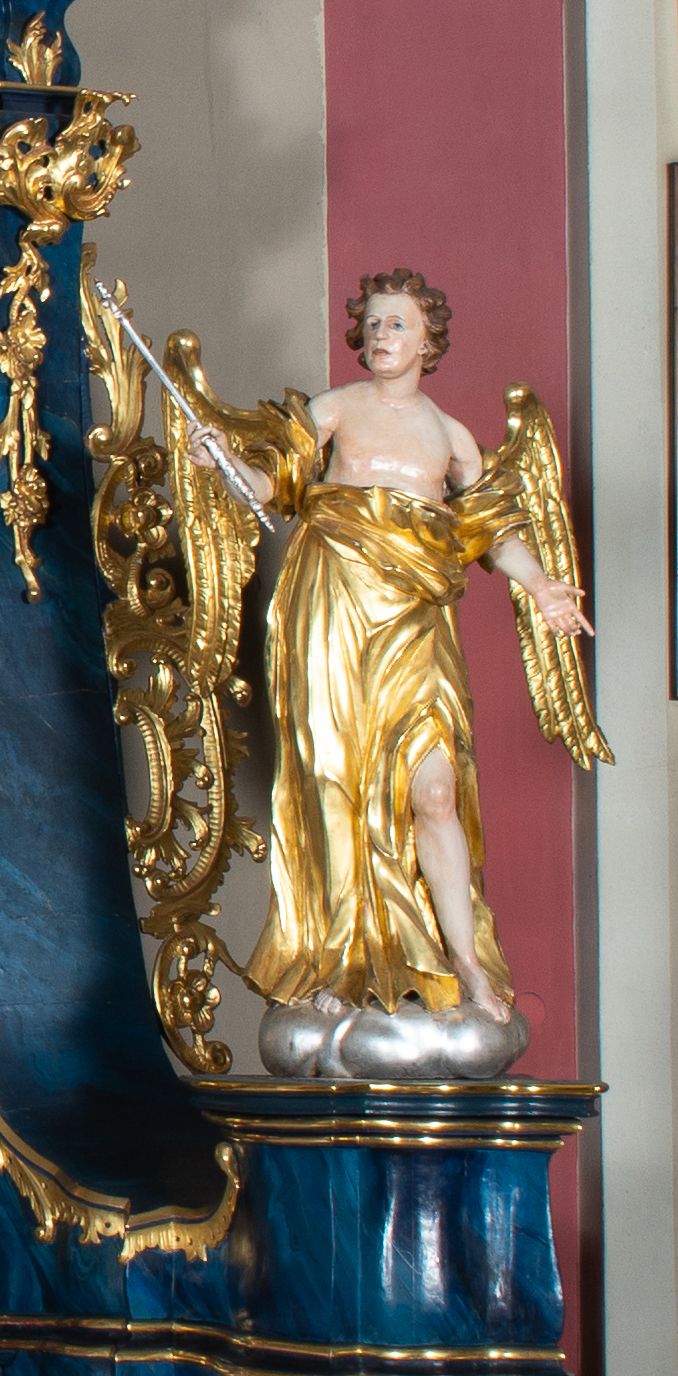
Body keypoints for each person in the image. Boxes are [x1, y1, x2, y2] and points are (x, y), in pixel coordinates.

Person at [209, 273, 595, 1037]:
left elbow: (491, 531)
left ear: (428, 341)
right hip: (334, 608)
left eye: (398, 324)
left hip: (416, 623)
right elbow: (270, 486)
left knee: (436, 791)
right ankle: (342, 961)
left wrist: (543, 585)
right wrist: (220, 459)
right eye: (375, 323)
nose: (382, 335)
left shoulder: (451, 437)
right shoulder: (335, 409)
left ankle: (467, 962)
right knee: (336, 780)